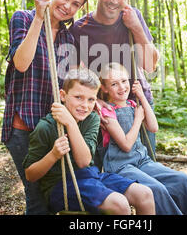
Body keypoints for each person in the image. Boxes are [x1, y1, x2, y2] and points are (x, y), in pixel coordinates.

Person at [2, 0, 88, 215]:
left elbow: (72, 83)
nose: (68, 6)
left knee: (51, 196)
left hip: (50, 126)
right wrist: (40, 17)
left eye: (76, 4)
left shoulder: (67, 38)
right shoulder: (24, 17)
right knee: (36, 195)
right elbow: (21, 63)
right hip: (23, 124)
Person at [23, 68, 155, 214]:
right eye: (78, 97)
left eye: (91, 99)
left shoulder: (92, 119)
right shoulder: (46, 127)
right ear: (63, 95)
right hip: (61, 186)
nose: (85, 105)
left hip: (92, 176)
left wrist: (71, 124)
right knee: (119, 205)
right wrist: (53, 155)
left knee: (145, 194)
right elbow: (30, 174)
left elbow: (84, 162)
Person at [69, 0, 159, 162]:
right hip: (104, 109)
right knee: (114, 173)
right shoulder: (78, 29)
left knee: (148, 165)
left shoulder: (132, 16)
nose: (114, 0)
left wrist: (136, 27)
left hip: (137, 103)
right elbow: (75, 77)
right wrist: (95, 102)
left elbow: (150, 66)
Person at [99, 62, 187, 215]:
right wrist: (138, 119)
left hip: (142, 161)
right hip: (121, 167)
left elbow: (153, 127)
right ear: (105, 89)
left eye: (124, 81)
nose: (121, 87)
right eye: (114, 84)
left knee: (181, 179)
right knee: (156, 189)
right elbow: (126, 145)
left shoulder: (134, 104)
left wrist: (141, 96)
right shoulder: (107, 112)